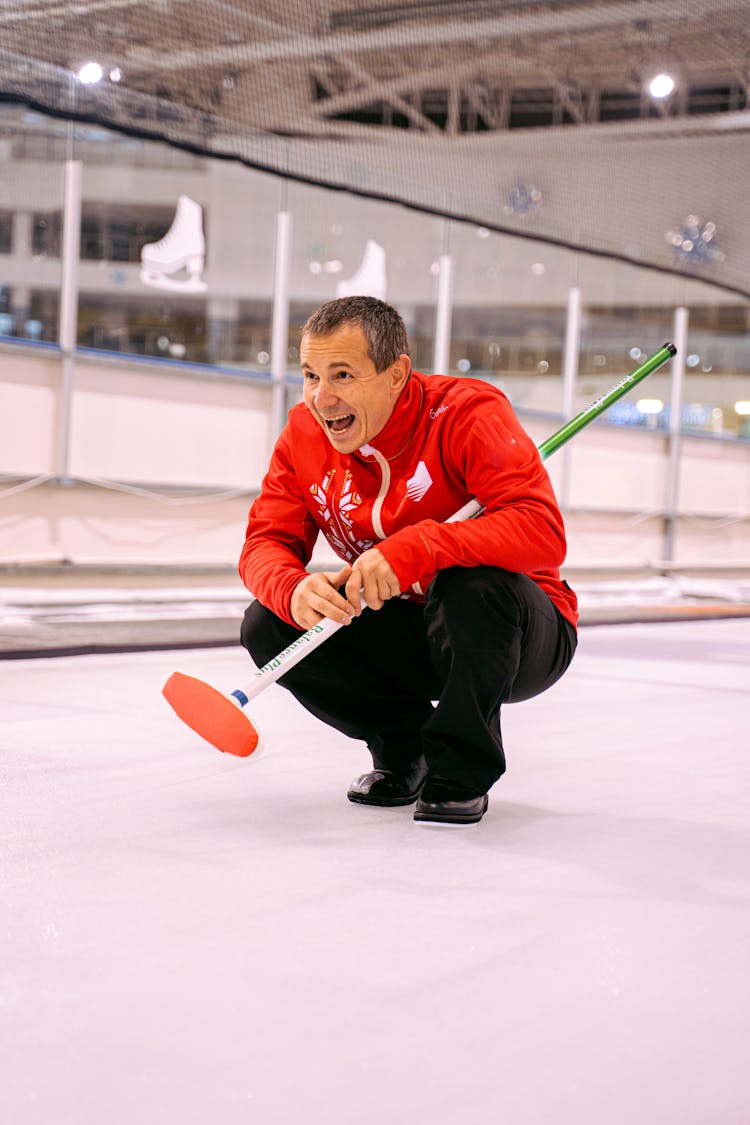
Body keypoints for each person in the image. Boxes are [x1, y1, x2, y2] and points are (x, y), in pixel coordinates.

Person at [239, 296, 577, 825]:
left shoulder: (466, 412)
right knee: (268, 622)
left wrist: (422, 547)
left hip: (512, 634)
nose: (322, 398)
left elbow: (542, 533)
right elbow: (263, 545)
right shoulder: (304, 435)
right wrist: (292, 588)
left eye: (343, 375)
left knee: (471, 583)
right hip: (409, 633)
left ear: (396, 374)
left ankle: (461, 769)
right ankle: (403, 750)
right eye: (310, 375)